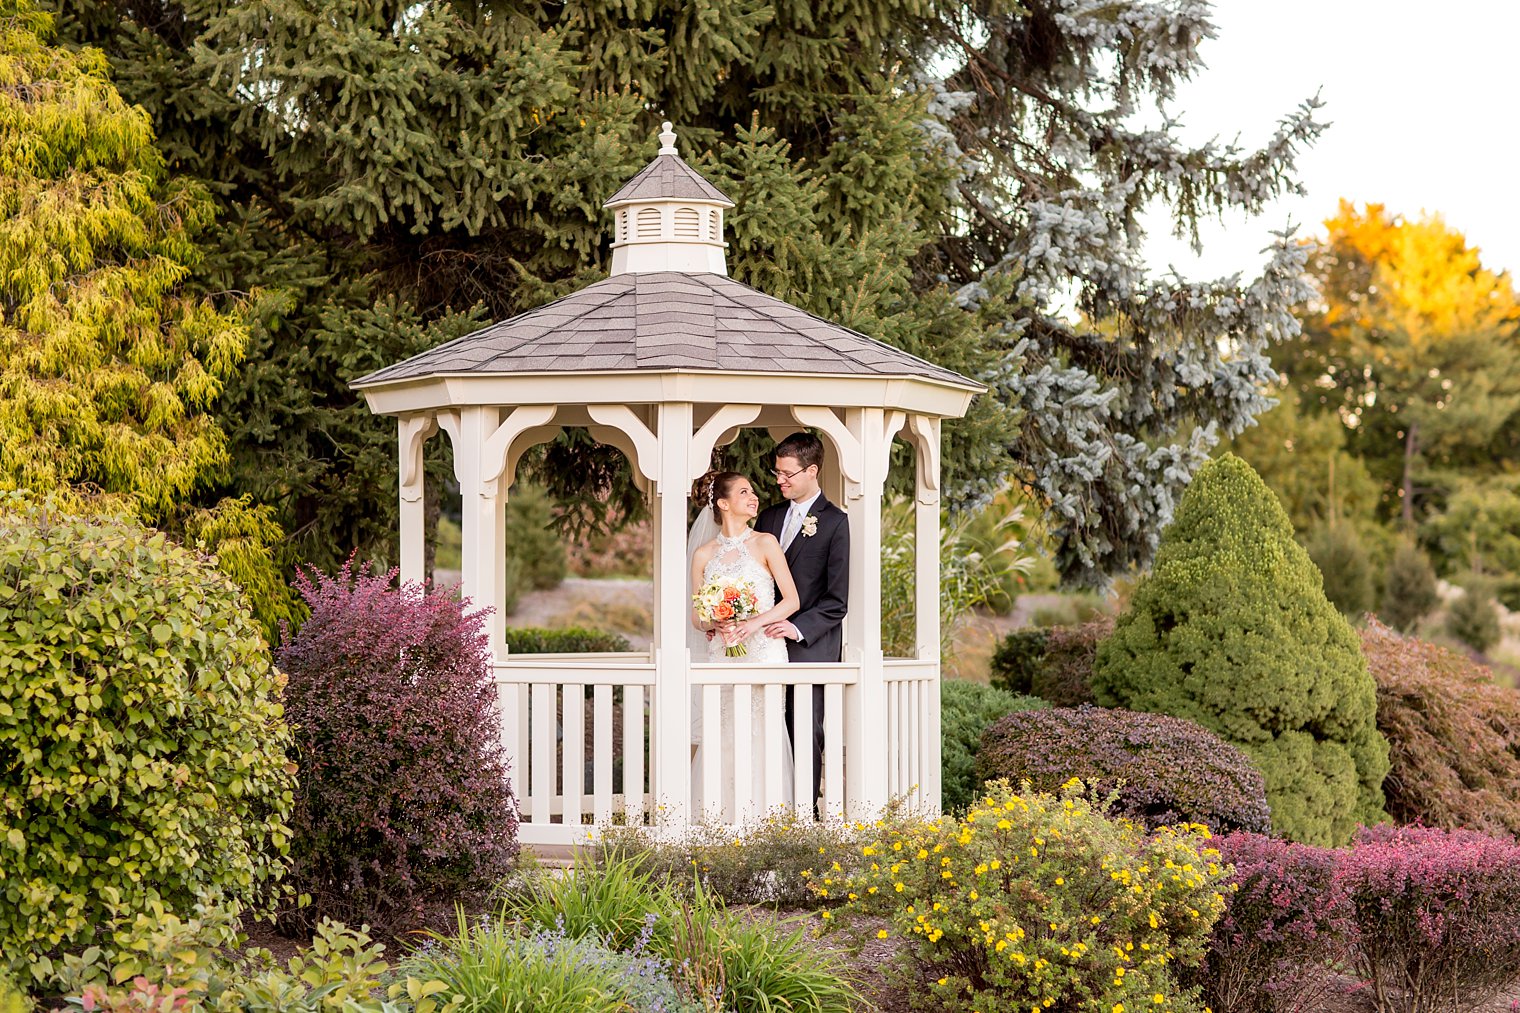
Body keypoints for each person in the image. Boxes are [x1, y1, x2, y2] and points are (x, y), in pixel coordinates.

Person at [688, 471, 800, 820]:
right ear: (722, 504)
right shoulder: (704, 555)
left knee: (762, 735)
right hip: (723, 655)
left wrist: (752, 623)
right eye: (743, 492)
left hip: (764, 652)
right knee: (723, 736)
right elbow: (697, 616)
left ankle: (765, 823)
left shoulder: (766, 543)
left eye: (752, 491)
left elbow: (791, 600)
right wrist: (715, 620)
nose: (754, 497)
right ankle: (718, 821)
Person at [754, 433, 849, 819]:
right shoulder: (770, 517)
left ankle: (805, 814)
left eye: (788, 473)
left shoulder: (836, 523)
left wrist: (795, 628)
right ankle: (762, 805)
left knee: (804, 729)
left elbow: (837, 601)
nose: (780, 480)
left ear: (812, 471)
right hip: (760, 643)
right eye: (777, 472)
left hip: (809, 646)